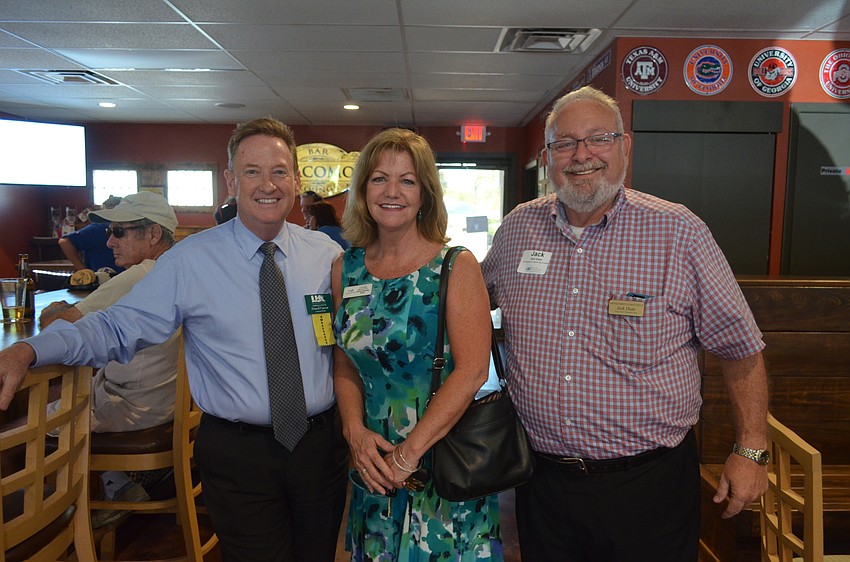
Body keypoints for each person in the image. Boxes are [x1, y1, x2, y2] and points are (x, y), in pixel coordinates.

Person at [0, 117, 349, 562]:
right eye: (252, 171)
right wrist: (29, 348)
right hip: (239, 454)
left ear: (296, 181)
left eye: (279, 171)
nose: (268, 184)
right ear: (230, 180)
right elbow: (114, 327)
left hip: (320, 448)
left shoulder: (327, 256)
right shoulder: (189, 261)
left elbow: (352, 343)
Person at [481, 86, 769, 562]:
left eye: (599, 139)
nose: (582, 155)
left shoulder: (679, 232)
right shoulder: (518, 229)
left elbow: (740, 347)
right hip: (541, 483)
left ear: (625, 146)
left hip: (648, 487)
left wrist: (751, 449)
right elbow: (467, 303)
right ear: (548, 157)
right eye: (566, 143)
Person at [332, 128, 502, 561]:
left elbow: (472, 371)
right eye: (379, 179)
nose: (392, 192)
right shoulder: (345, 269)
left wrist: (408, 456)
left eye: (407, 180)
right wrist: (354, 433)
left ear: (425, 194)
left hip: (441, 464)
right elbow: (344, 358)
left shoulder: (454, 265)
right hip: (372, 465)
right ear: (362, 190)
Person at [42, 191, 181, 526]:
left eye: (119, 232)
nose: (109, 243)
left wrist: (52, 308)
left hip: (132, 408)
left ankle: (49, 521)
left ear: (153, 234)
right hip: (169, 404)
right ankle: (118, 485)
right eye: (109, 232)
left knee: (36, 419)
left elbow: (56, 326)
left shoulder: (138, 276)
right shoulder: (178, 270)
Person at [59, 195, 124, 274]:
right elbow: (64, 242)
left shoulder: (99, 227)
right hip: (100, 279)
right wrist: (83, 270)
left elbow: (64, 242)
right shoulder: (99, 228)